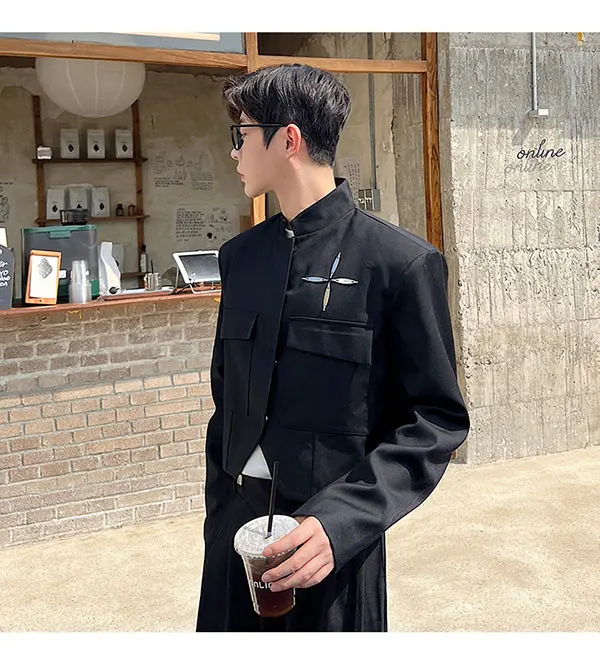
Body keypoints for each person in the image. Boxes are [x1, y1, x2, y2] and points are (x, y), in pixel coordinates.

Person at [195, 63, 470, 632]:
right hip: (235, 541)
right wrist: (218, 516)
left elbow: (435, 420)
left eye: (241, 135)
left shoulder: (399, 264)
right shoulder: (240, 258)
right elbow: (227, 402)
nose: (233, 152)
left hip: (329, 553)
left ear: (288, 139)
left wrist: (341, 522)